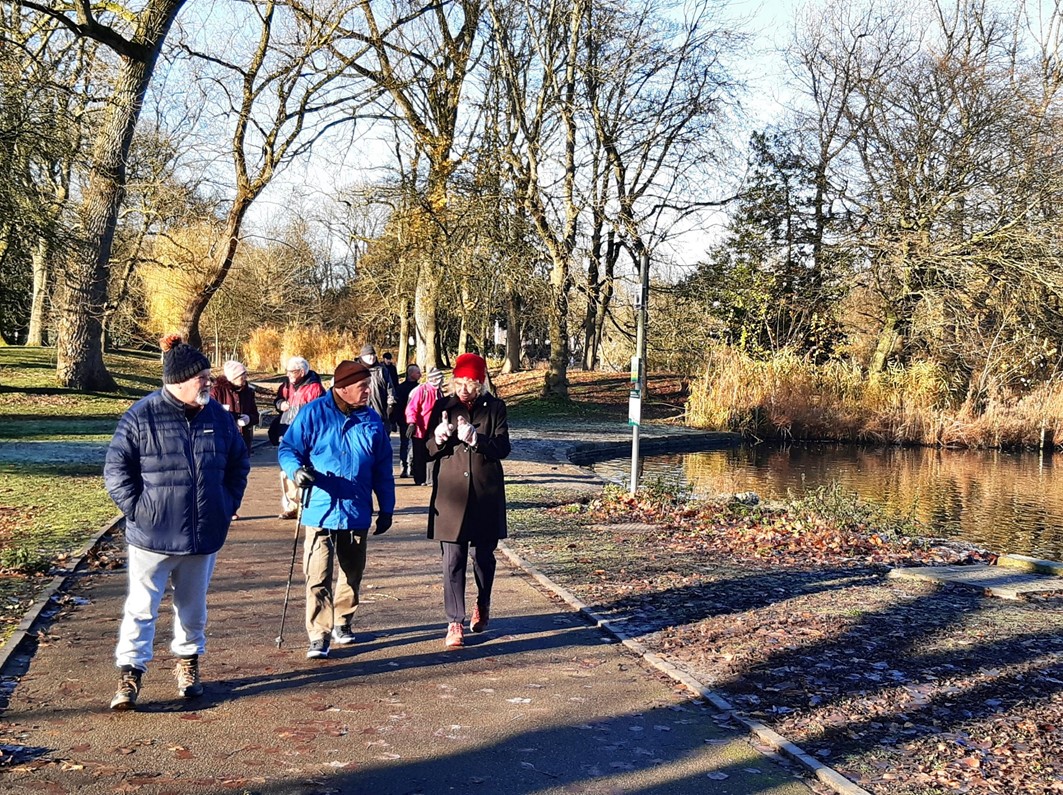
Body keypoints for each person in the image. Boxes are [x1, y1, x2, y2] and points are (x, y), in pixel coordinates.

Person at [103, 335, 250, 710]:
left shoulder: (219, 417)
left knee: (193, 608)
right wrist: (139, 509)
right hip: (151, 535)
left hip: (203, 535)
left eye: (207, 375)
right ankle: (130, 674)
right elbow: (116, 470)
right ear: (178, 380)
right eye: (201, 376)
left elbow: (238, 464)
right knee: (141, 607)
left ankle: (189, 665)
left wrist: (226, 503)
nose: (207, 381)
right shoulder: (141, 415)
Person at [278, 360, 396, 659]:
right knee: (317, 574)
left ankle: (342, 621)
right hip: (320, 508)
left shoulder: (372, 421)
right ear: (342, 388)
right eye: (362, 387)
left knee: (352, 572)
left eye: (368, 386)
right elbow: (288, 449)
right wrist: (295, 471)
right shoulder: (313, 414)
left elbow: (383, 468)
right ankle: (318, 633)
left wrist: (387, 508)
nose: (368, 391)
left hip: (356, 509)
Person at [426, 353, 510, 650]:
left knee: (483, 558)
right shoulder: (442, 406)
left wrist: (477, 440)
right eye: (459, 383)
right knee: (453, 560)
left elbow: (503, 447)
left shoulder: (496, 408)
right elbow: (425, 450)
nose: (464, 389)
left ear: (481, 383)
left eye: (470, 384)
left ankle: (483, 602)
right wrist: (438, 437)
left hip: (485, 495)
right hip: (450, 496)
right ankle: (454, 622)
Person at [274, 356, 325, 519]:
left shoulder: (315, 388)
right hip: (286, 430)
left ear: (302, 372)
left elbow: (319, 412)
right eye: (287, 371)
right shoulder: (286, 385)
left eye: (291, 372)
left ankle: (306, 504)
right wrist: (280, 404)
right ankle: (291, 505)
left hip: (306, 434)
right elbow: (278, 400)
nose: (288, 375)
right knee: (286, 469)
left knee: (305, 468)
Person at [405, 367, 445, 486]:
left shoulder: (439, 392)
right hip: (420, 429)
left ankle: (430, 478)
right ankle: (420, 478)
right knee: (419, 454)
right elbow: (412, 408)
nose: (440, 382)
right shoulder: (422, 390)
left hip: (433, 429)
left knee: (432, 452)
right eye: (438, 379)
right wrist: (412, 423)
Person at [210, 360, 260, 453]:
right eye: (242, 376)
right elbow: (210, 415)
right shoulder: (216, 392)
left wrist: (249, 419)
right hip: (223, 442)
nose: (245, 378)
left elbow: (256, 416)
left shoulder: (248, 392)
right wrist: (233, 418)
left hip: (243, 442)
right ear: (233, 377)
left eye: (245, 374)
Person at [392, 364, 421, 478]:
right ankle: (404, 465)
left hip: (417, 421)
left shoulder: (420, 388)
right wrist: (395, 420)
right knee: (404, 443)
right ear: (411, 374)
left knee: (414, 444)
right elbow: (397, 407)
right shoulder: (401, 389)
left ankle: (413, 466)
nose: (420, 374)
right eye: (418, 372)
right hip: (404, 421)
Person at [359, 344, 396, 423]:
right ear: (362, 356)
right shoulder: (356, 370)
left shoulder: (382, 370)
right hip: (361, 411)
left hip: (380, 410)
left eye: (373, 355)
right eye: (369, 355)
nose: (372, 357)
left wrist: (390, 405)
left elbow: (390, 388)